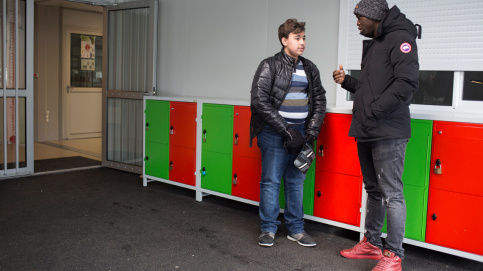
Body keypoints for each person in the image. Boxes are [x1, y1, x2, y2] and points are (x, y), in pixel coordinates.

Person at [332, 0, 419, 270]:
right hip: (369, 128)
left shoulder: (401, 38)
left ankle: (393, 256)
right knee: (373, 190)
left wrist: (375, 110)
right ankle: (371, 243)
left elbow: (406, 83)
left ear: (376, 16)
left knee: (391, 193)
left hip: (388, 130)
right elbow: (372, 88)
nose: (357, 22)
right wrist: (347, 82)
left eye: (360, 17)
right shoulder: (376, 42)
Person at [250, 18, 327, 247]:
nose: (302, 42)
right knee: (271, 181)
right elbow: (258, 101)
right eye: (297, 38)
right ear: (284, 40)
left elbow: (319, 99)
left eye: (304, 37)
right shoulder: (269, 65)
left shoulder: (310, 67)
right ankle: (268, 229)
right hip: (274, 133)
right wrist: (285, 130)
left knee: (295, 182)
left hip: (301, 132)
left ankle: (296, 229)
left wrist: (311, 132)